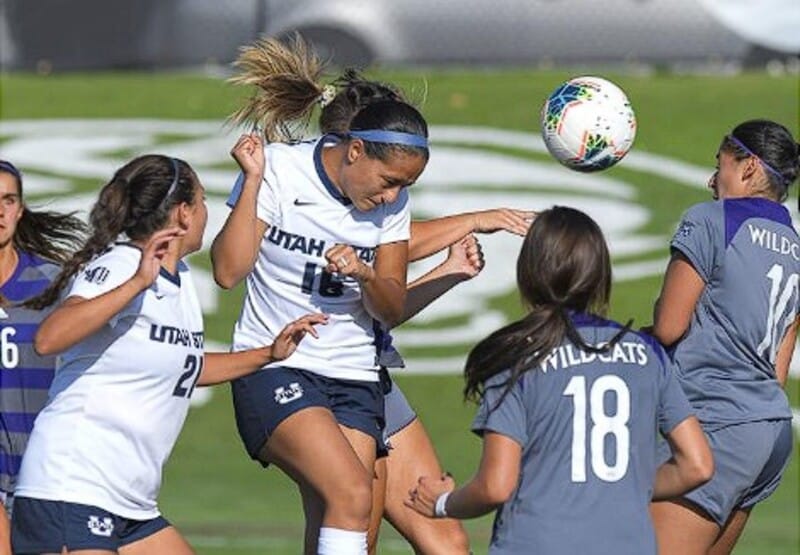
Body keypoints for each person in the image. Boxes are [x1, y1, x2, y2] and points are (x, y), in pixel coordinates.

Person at [9, 154, 325, 555]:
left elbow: (185, 365)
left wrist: (268, 353)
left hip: (130, 502)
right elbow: (50, 338)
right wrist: (138, 282)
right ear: (183, 213)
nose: (206, 212)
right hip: (72, 487)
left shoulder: (181, 282)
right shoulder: (121, 266)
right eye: (203, 201)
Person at [212, 36, 430, 554]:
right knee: (353, 491)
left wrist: (364, 273)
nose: (393, 195)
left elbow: (391, 306)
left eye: (405, 185)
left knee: (349, 521)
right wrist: (253, 180)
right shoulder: (281, 169)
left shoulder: (390, 207)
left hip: (354, 377)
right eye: (388, 180)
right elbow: (227, 271)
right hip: (277, 368)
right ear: (355, 150)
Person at [405, 206, 714, 555]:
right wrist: (621, 487)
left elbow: (496, 486)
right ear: (600, 275)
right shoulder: (646, 353)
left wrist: (443, 503)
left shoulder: (518, 356)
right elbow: (697, 465)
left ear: (528, 272)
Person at [649, 119, 800, 555]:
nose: (712, 180)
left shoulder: (711, 219)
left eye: (721, 166)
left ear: (749, 167)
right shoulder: (794, 245)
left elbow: (668, 327)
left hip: (718, 424)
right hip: (769, 431)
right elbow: (776, 373)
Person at [0, 160, 86, 555]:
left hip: (43, 476)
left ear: (20, 209)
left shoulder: (55, 285)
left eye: (8, 200)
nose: (0, 211)